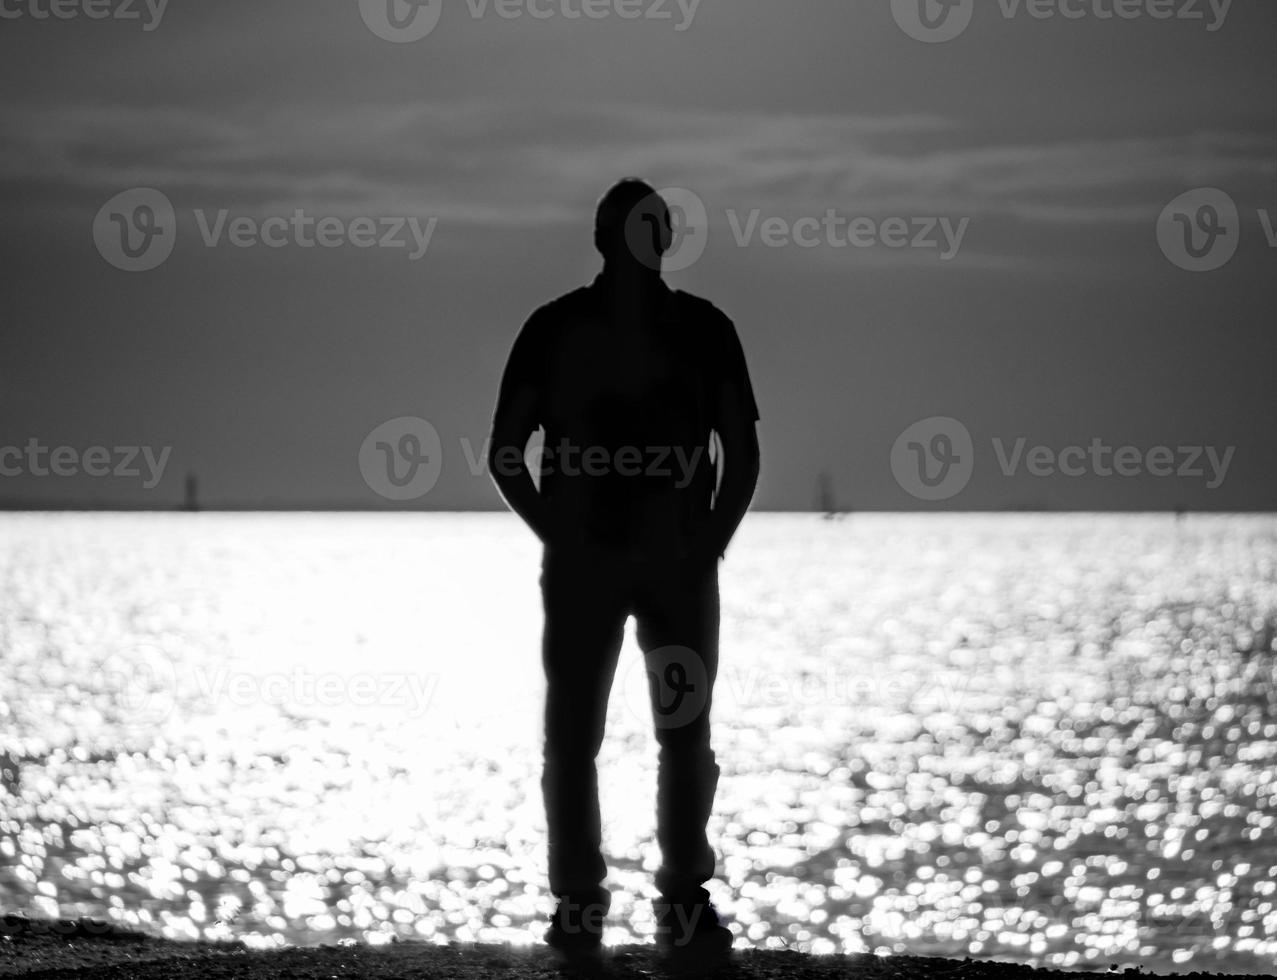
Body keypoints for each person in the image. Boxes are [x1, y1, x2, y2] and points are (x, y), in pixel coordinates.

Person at [488, 178, 761, 958]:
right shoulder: (556, 330)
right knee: (581, 738)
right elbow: (507, 453)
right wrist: (560, 536)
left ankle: (672, 898)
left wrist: (708, 543)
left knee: (674, 734)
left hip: (669, 570)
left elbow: (740, 453)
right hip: (599, 572)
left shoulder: (703, 331)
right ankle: (587, 902)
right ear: (609, 240)